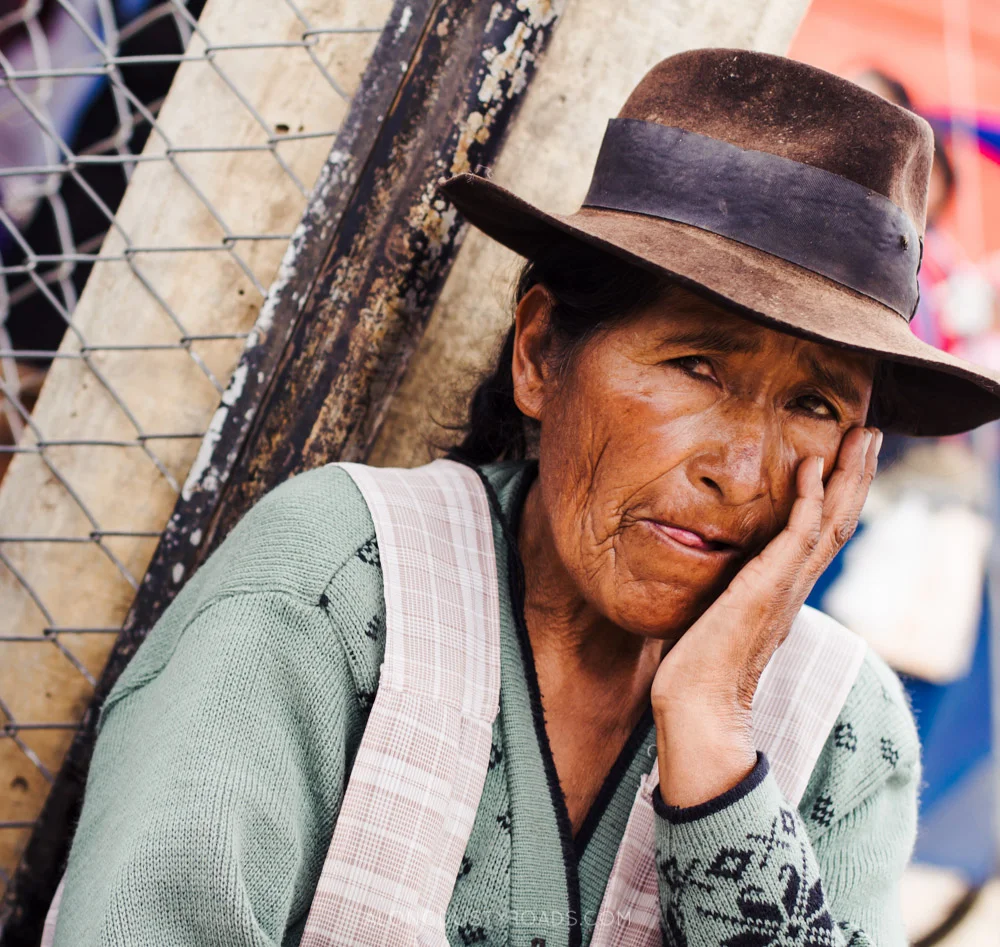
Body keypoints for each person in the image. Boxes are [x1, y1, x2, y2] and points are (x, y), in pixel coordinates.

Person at [47, 49, 1000, 947]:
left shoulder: (841, 727)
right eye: (697, 364)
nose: (741, 472)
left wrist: (713, 729)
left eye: (813, 402)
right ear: (543, 352)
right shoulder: (335, 585)